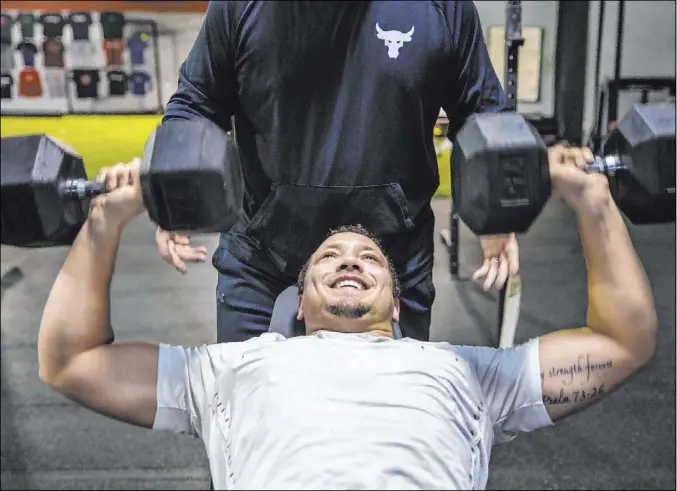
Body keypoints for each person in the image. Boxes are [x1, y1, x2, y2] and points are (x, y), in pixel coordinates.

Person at [38, 146, 657, 490]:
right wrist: (103, 223)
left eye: (370, 259)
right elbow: (72, 362)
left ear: (397, 304)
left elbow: (622, 342)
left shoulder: (467, 374)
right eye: (328, 258)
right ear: (300, 306)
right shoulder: (230, 370)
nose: (350, 260)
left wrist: (593, 200)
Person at [153, 0, 520, 344]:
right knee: (245, 404)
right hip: (263, 259)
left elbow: (481, 111)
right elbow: (196, 102)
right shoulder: (243, 5)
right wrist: (179, 189)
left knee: (394, 407)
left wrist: (496, 214)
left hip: (389, 267)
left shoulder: (442, 7)